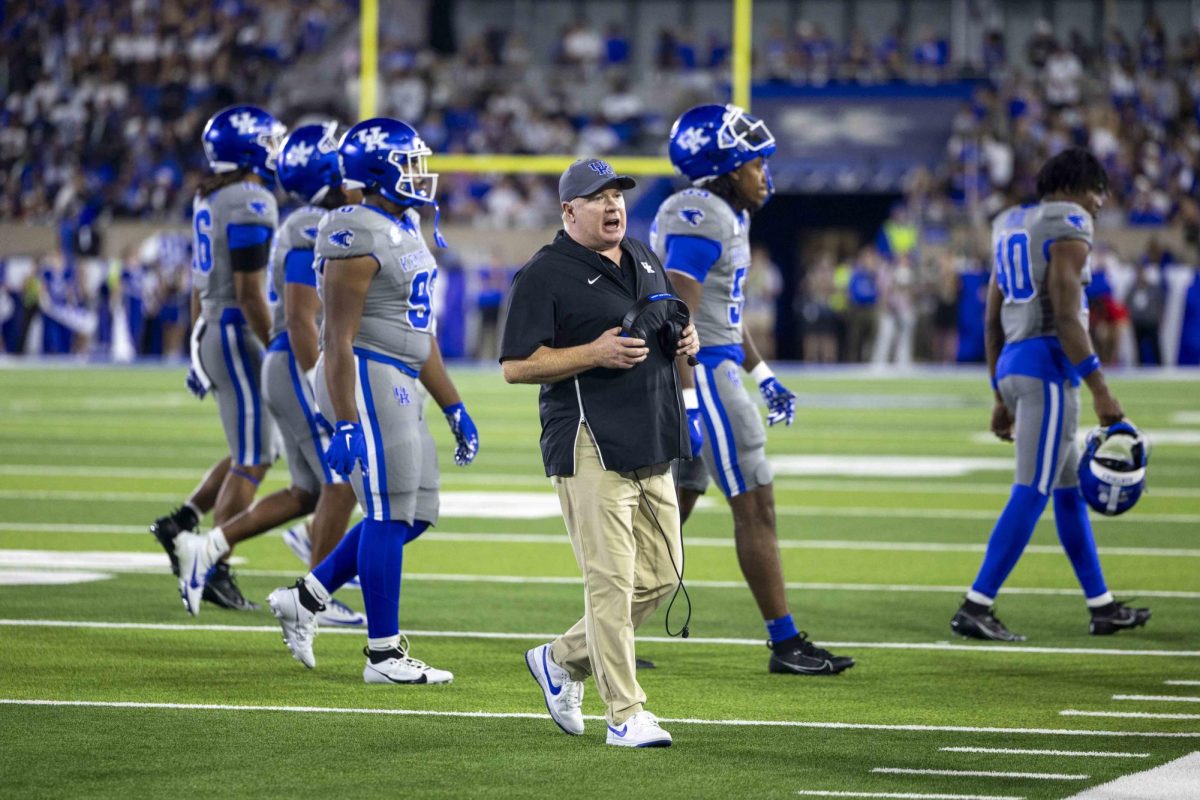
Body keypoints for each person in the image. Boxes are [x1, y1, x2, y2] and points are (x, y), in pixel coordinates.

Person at [266, 117, 478, 685]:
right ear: (380, 168)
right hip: (366, 375)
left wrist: (453, 405)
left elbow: (420, 332)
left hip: (401, 375)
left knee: (414, 513)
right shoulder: (353, 229)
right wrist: (344, 422)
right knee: (388, 512)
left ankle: (306, 597)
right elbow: (336, 338)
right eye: (409, 162)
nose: (420, 174)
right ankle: (383, 655)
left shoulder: (401, 224)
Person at [502, 158, 698, 748]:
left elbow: (661, 320)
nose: (613, 206)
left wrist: (682, 338)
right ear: (568, 211)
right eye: (597, 198)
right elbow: (516, 365)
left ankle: (560, 659)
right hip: (589, 440)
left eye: (617, 195)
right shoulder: (545, 273)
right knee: (610, 582)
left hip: (652, 433)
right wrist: (591, 353)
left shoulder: (641, 254)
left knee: (663, 577)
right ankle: (625, 714)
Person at [652, 104, 854, 676]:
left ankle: (604, 634)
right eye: (754, 163)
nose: (765, 172)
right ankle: (786, 643)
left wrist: (762, 373)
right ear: (723, 168)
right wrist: (690, 402)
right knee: (756, 505)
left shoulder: (721, 213)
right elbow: (675, 319)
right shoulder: (702, 215)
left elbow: (722, 313)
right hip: (706, 378)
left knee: (670, 514)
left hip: (716, 369)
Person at [951, 147, 1151, 641]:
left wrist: (999, 390)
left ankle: (1101, 605)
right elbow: (1064, 314)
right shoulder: (1069, 221)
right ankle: (977, 604)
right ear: (1079, 186)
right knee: (1033, 489)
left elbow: (991, 314)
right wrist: (1100, 388)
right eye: (1098, 193)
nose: (1100, 205)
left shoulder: (1012, 223)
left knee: (1067, 493)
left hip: (1018, 365)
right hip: (1048, 369)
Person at [172, 122, 364, 625]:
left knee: (308, 491)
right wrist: (319, 382)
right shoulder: (306, 224)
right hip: (292, 358)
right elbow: (301, 319)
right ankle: (315, 598)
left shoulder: (314, 216)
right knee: (339, 481)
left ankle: (207, 547)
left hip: (285, 358)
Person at [151, 104, 287, 613]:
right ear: (249, 148)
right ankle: (211, 564)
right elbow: (251, 292)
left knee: (253, 446)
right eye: (268, 142)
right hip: (236, 329)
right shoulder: (251, 198)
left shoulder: (212, 195)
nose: (275, 151)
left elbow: (198, 280)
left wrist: (194, 344)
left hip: (215, 324)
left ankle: (181, 523)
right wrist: (277, 343)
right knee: (254, 456)